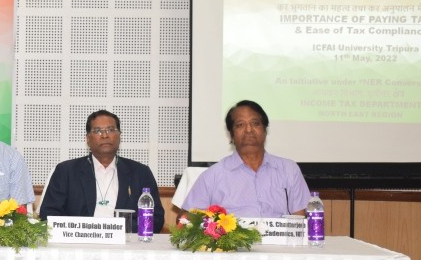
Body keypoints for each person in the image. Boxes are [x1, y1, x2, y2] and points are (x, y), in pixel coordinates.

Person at [39, 110, 165, 232]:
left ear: (119, 136)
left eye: (111, 130)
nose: (105, 135)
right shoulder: (66, 172)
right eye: (98, 131)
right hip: (79, 243)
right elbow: (49, 214)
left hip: (125, 244)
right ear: (88, 138)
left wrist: (119, 231)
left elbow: (156, 219)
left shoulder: (140, 173)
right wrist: (83, 231)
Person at [182, 99, 310, 217]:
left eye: (255, 123)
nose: (249, 129)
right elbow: (186, 218)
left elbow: (301, 218)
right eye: (240, 125)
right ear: (231, 134)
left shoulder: (288, 170)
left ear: (265, 130)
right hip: (233, 241)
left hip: (279, 241)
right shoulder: (212, 176)